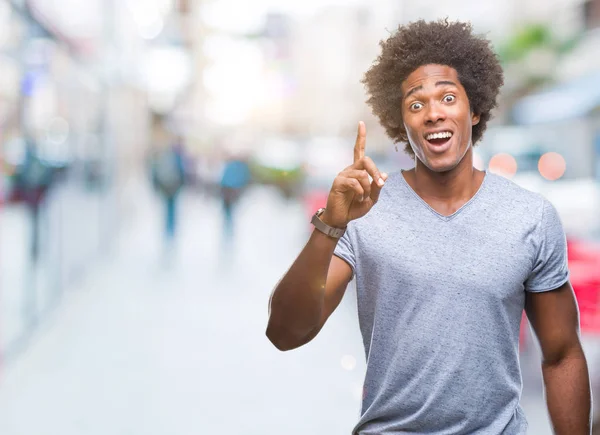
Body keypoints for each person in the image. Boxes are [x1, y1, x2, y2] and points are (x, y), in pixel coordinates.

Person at [266, 19, 591, 434]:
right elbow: (285, 332)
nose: (433, 112)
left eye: (448, 97)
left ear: (474, 111)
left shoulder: (531, 217)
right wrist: (331, 225)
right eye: (416, 104)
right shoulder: (366, 212)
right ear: (401, 123)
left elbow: (562, 354)